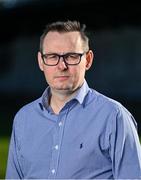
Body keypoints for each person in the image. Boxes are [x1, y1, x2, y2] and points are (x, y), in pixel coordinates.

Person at [6, 20, 141, 179]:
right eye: (52, 56)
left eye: (71, 56)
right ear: (41, 61)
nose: (61, 65)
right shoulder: (23, 119)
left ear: (88, 60)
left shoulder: (114, 117)